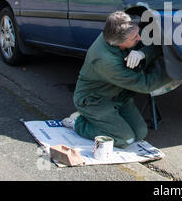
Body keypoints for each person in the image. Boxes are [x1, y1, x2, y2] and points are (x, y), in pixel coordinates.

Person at [62, 11, 174, 148]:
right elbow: (144, 84)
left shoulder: (116, 32)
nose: (139, 38)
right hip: (95, 101)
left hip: (118, 96)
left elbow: (153, 42)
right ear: (120, 42)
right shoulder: (105, 60)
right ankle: (78, 122)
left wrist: (143, 53)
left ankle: (101, 120)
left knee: (140, 133)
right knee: (125, 139)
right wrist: (172, 72)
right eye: (134, 37)